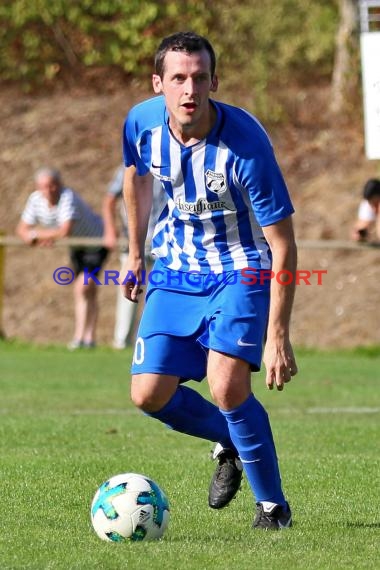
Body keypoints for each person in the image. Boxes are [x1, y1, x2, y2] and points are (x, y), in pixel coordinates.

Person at [120, 32, 298, 531]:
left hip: (239, 267)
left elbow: (282, 244)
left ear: (214, 81)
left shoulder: (245, 147)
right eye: (177, 78)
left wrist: (277, 337)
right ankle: (229, 441)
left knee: (226, 383)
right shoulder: (141, 123)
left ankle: (272, 509)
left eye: (199, 77)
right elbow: (134, 175)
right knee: (148, 394)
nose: (189, 89)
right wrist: (135, 253)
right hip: (175, 268)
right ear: (159, 84)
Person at [16, 167, 108, 349]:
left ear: (59, 185)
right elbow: (22, 229)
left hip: (96, 243)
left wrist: (39, 236)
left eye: (52, 185)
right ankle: (88, 339)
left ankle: (81, 337)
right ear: (37, 187)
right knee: (87, 290)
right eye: (43, 186)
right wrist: (39, 237)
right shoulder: (35, 200)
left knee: (82, 287)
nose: (48, 190)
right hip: (77, 246)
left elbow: (64, 231)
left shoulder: (68, 197)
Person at [103, 165, 166, 349]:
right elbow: (109, 199)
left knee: (161, 294)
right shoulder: (129, 166)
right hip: (134, 243)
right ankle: (122, 342)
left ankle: (157, 341)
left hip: (163, 242)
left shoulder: (171, 158)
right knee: (128, 293)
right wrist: (110, 229)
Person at [351, 178, 380, 242]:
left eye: (376, 203)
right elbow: (361, 226)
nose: (374, 208)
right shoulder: (367, 204)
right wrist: (359, 234)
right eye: (371, 204)